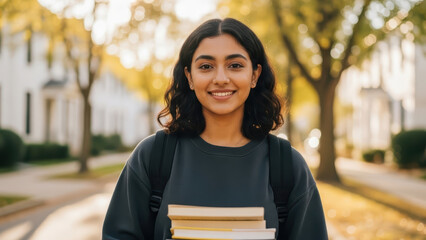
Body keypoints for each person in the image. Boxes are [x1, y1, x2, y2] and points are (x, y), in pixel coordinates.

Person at [102, 18, 328, 240]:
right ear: (189, 77)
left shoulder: (288, 166)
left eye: (235, 65)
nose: (221, 78)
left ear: (255, 75)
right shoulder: (152, 156)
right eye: (206, 66)